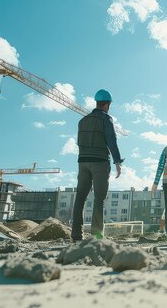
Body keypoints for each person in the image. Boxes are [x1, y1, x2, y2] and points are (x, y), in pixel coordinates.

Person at [71, 89, 123, 241]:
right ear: (107, 104)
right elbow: (112, 142)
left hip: (83, 162)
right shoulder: (106, 120)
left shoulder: (82, 120)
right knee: (99, 199)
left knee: (80, 197)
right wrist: (117, 162)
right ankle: (96, 234)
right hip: (99, 162)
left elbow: (79, 142)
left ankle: (76, 235)